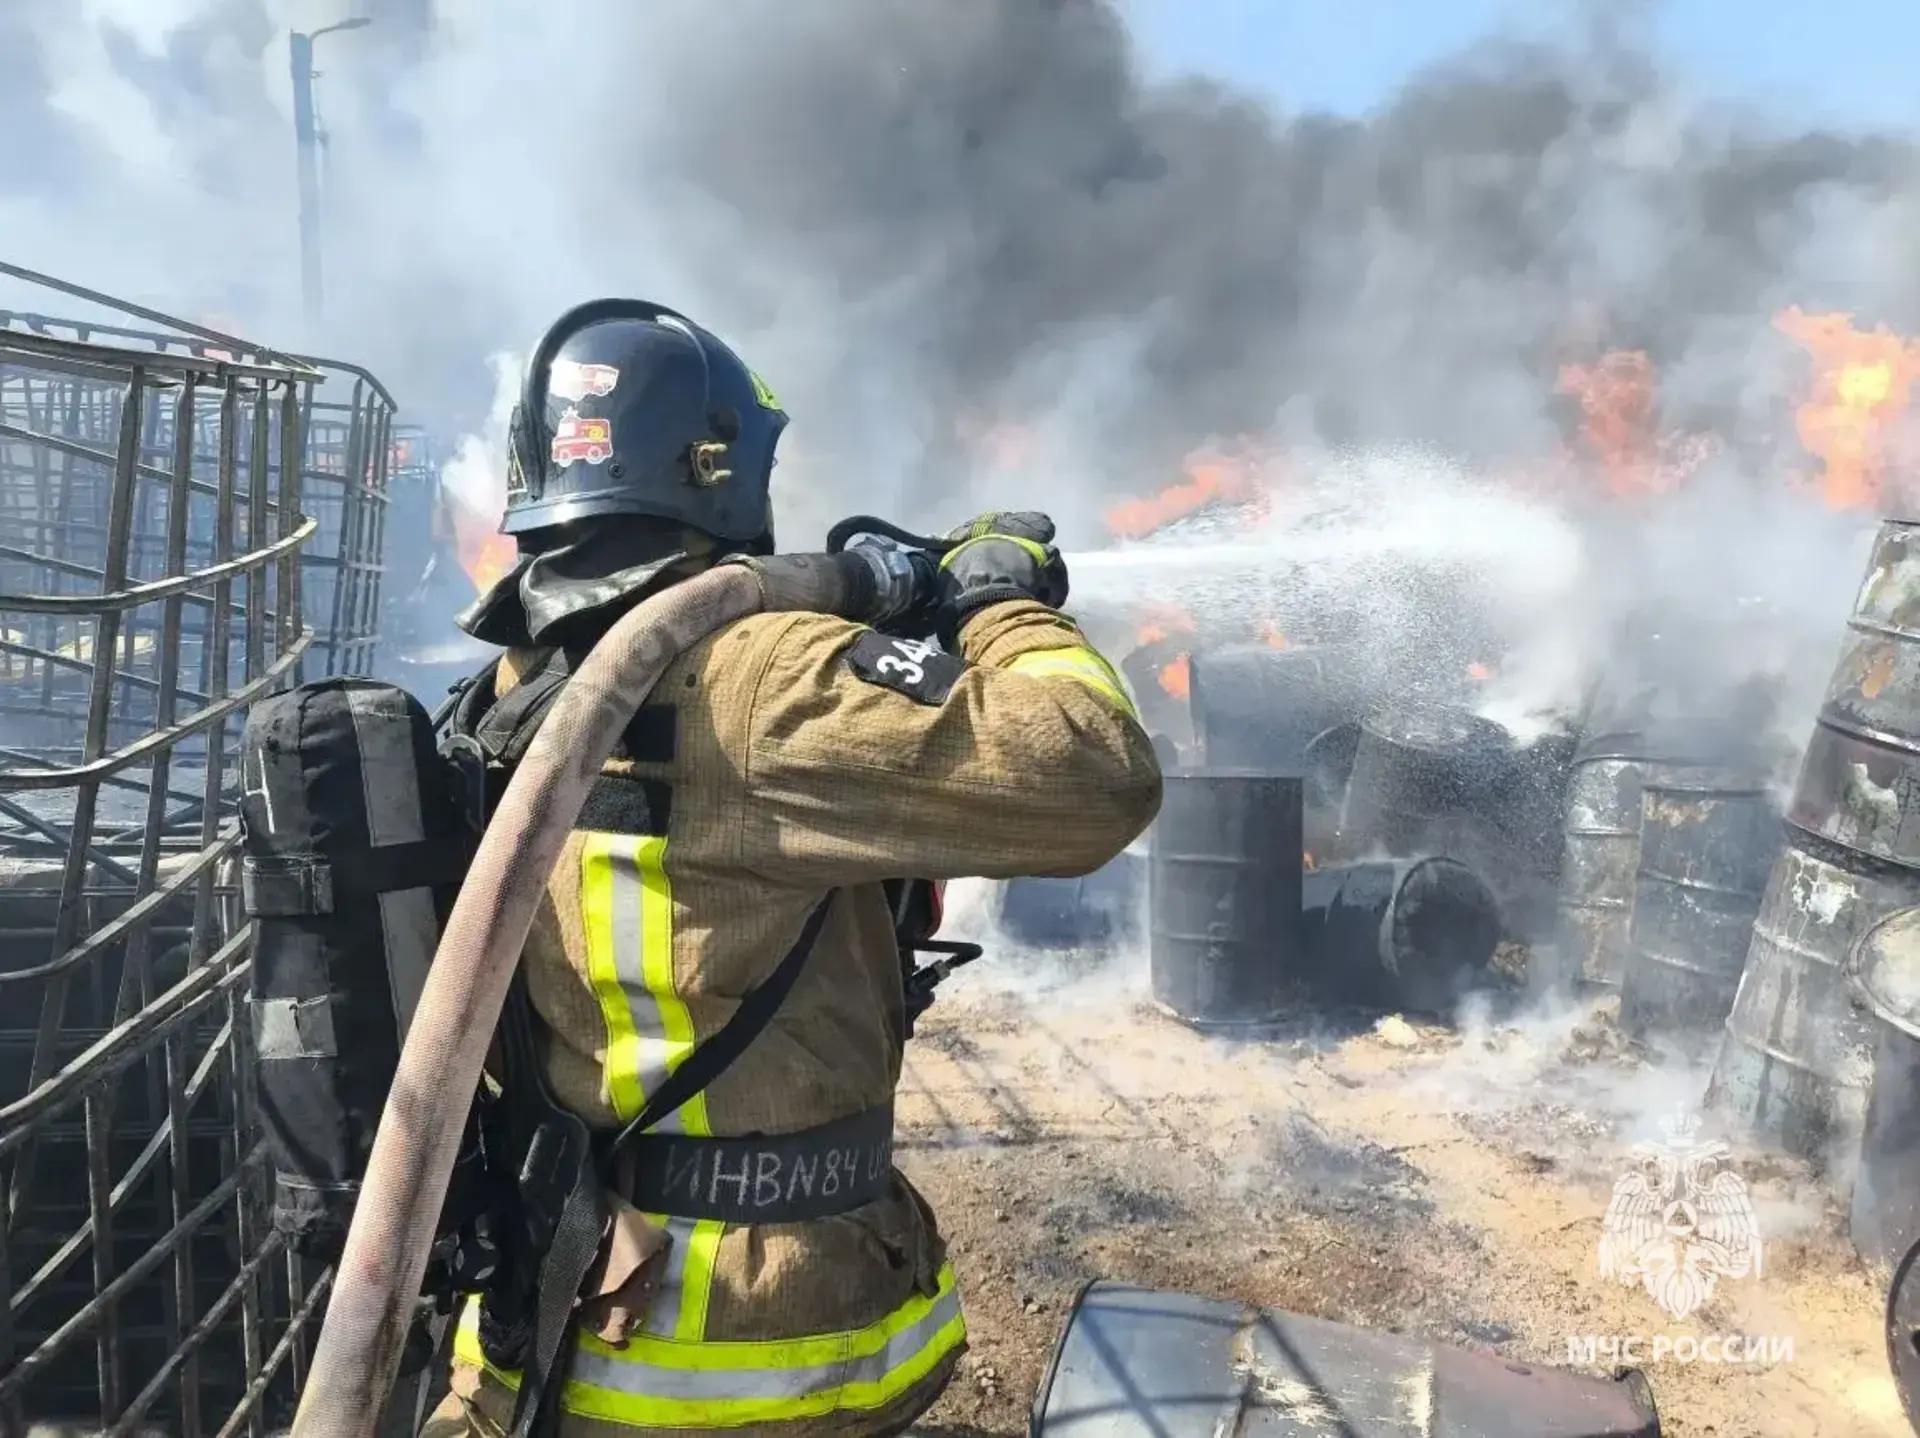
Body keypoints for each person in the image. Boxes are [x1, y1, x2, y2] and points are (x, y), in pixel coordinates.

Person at [426, 299, 1161, 1437]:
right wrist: (1002, 606)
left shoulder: (515, 684)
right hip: (742, 1351)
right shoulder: (760, 676)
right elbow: (1095, 770)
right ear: (717, 467)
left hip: (555, 1306)